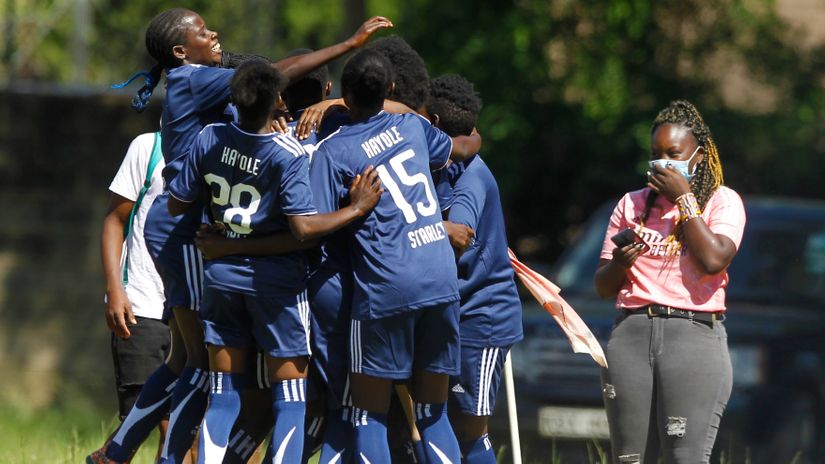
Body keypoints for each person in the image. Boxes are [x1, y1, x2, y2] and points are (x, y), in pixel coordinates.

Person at [94, 9, 392, 464]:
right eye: (202, 31)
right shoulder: (197, 85)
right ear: (179, 51)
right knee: (201, 367)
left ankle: (116, 452)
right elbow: (274, 73)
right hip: (190, 232)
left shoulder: (218, 129)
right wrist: (349, 46)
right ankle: (153, 457)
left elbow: (255, 80)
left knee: (190, 364)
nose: (214, 34)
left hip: (195, 231)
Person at [166, 60, 383, 464]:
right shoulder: (287, 153)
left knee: (223, 395)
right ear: (278, 101)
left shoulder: (209, 137)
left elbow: (178, 202)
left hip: (222, 278)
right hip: (277, 287)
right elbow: (302, 229)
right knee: (291, 399)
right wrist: (356, 209)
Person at [309, 49, 480, 464]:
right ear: (390, 89)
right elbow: (458, 149)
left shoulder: (333, 152)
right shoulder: (413, 127)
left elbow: (310, 226)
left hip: (386, 289)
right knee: (431, 411)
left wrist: (355, 207)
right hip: (440, 279)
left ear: (344, 95)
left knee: (368, 415)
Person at [594, 100, 745, 464]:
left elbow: (713, 259)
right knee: (629, 458)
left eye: (673, 153)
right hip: (631, 335)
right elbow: (602, 286)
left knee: (685, 457)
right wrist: (619, 263)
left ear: (699, 155)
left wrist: (685, 200)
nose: (662, 162)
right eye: (656, 154)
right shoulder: (630, 205)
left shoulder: (722, 202)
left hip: (692, 336)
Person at [428, 74, 524, 463]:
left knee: (470, 429)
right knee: (441, 423)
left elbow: (459, 235)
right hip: (452, 314)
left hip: (482, 318)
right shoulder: (447, 163)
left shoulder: (471, 177)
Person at [90, 132, 170, 464]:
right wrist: (114, 288)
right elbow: (115, 218)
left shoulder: (218, 145)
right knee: (154, 421)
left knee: (181, 426)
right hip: (142, 305)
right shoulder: (148, 147)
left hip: (191, 312)